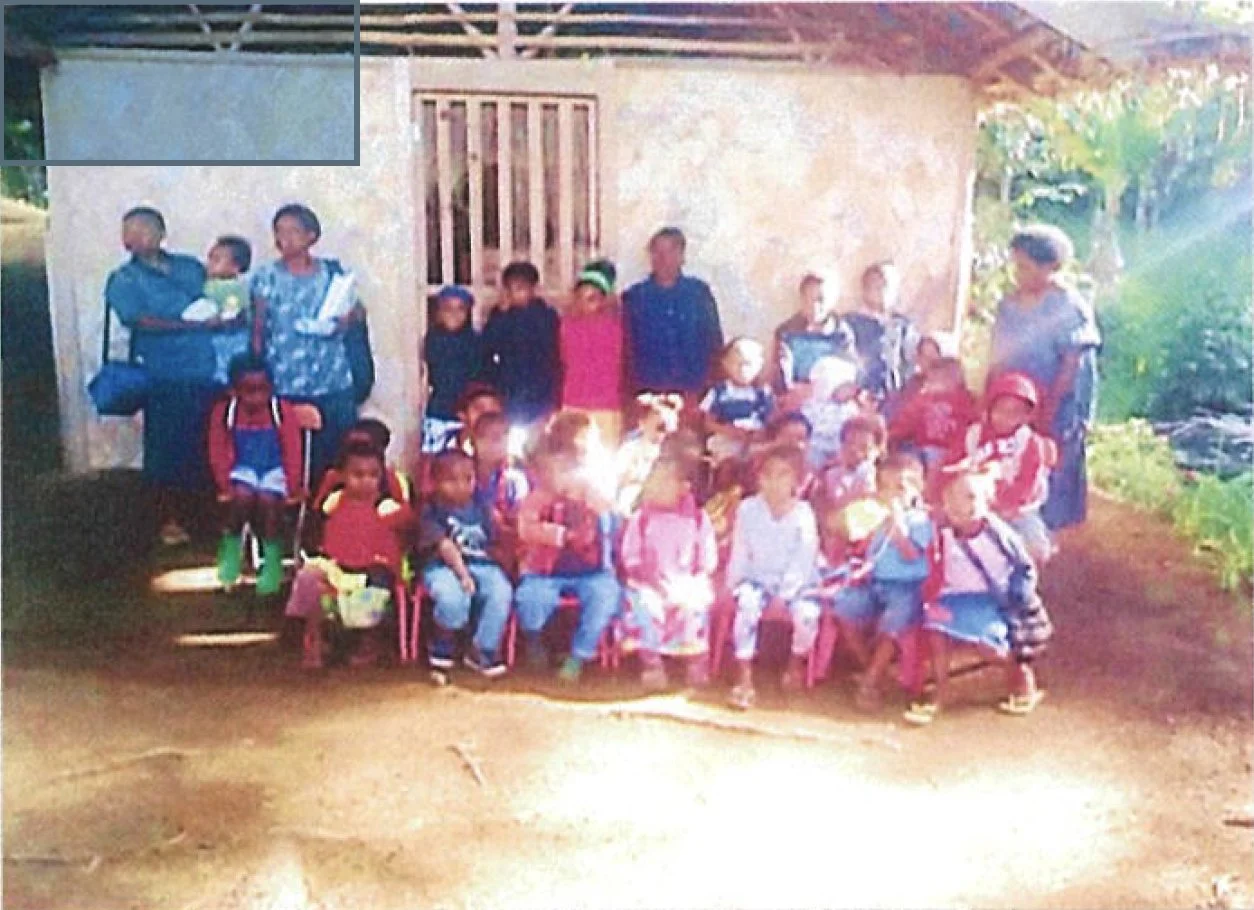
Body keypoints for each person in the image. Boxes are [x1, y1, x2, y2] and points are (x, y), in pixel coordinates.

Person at [105, 206, 220, 546]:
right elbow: (137, 320)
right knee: (166, 448)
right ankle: (168, 519)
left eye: (141, 230)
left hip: (207, 370)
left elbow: (217, 296)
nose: (132, 238)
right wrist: (187, 325)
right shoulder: (124, 279)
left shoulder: (190, 268)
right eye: (127, 231)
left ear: (160, 233)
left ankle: (206, 518)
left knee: (207, 443)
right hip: (163, 374)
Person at [904, 467, 1050, 725]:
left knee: (989, 648)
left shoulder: (998, 533)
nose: (965, 505)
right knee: (936, 630)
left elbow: (1024, 566)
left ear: (987, 500)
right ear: (945, 503)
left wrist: (1020, 595)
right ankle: (941, 691)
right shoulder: (940, 531)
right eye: (956, 498)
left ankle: (1022, 678)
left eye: (972, 497)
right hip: (951, 597)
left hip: (990, 599)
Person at [989, 225, 1101, 531]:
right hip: (1011, 398)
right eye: (1016, 266)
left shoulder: (1068, 307)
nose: (1018, 274)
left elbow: (1071, 364)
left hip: (1056, 400)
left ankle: (1045, 532)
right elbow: (997, 353)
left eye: (1025, 267)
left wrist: (1048, 411)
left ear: (1051, 267)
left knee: (1049, 461)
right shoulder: (1009, 305)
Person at [251, 203, 364, 483]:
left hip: (331, 378)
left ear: (311, 236)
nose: (284, 239)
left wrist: (345, 320)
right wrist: (257, 374)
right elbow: (258, 328)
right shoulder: (266, 277)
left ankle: (330, 505)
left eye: (293, 231)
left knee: (335, 454)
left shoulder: (332, 273)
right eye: (279, 232)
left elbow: (357, 312)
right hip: (285, 380)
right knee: (290, 456)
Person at [284, 438, 413, 670]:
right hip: (338, 566)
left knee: (377, 589)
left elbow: (409, 522)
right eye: (357, 475)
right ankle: (314, 639)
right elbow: (316, 523)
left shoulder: (385, 506)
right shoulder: (334, 501)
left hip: (373, 569)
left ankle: (369, 643)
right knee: (309, 577)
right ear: (342, 476)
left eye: (373, 475)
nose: (366, 481)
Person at [828, 454, 932, 712]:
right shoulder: (877, 516)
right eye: (886, 488)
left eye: (901, 487)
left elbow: (910, 554)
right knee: (843, 608)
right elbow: (846, 533)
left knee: (894, 622)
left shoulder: (921, 520)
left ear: (918, 488)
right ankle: (872, 668)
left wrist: (897, 527)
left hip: (906, 587)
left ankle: (870, 681)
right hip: (875, 582)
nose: (893, 495)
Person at [725, 444, 822, 710]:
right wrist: (733, 583)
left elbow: (803, 558)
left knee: (807, 616)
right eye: (767, 475)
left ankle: (795, 665)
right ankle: (744, 676)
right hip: (757, 580)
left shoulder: (803, 514)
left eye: (782, 475)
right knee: (746, 608)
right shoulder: (748, 509)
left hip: (797, 584)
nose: (774, 482)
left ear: (795, 480)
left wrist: (785, 594)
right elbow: (741, 550)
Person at [515, 444, 621, 683]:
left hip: (592, 573)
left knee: (604, 596)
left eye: (566, 469)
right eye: (553, 470)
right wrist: (564, 535)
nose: (560, 476)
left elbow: (613, 521)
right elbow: (527, 529)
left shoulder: (594, 497)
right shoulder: (535, 500)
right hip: (544, 573)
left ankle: (579, 656)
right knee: (532, 598)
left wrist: (596, 507)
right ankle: (534, 639)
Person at [619, 454, 719, 690]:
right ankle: (652, 664)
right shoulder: (642, 519)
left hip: (686, 581)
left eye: (666, 481)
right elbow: (630, 556)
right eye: (655, 481)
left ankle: (695, 663)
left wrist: (693, 581)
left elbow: (707, 559)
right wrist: (652, 580)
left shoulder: (697, 519)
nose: (658, 487)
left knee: (693, 605)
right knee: (646, 605)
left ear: (684, 488)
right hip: (649, 581)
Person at [207, 353, 303, 595]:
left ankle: (271, 562)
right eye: (249, 390)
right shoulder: (225, 412)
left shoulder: (280, 411)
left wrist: (292, 485)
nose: (257, 397)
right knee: (242, 497)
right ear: (234, 390)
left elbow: (293, 449)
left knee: (269, 501)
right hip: (241, 468)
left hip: (274, 469)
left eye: (263, 390)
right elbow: (217, 449)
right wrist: (224, 483)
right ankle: (230, 554)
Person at [417, 450, 513, 677]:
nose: (461, 486)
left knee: (501, 592)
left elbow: (495, 539)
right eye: (451, 480)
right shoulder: (431, 510)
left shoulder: (481, 506)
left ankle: (482, 649)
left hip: (483, 564)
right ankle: (442, 643)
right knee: (452, 596)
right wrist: (463, 575)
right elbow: (444, 545)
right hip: (442, 565)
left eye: (468, 479)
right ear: (435, 482)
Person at [954, 371, 1057, 566]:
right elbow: (951, 464)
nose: (1006, 418)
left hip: (1017, 510)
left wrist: (1004, 502)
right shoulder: (974, 435)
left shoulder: (1030, 443)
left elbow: (1028, 484)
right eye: (1000, 410)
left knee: (1037, 550)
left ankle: (1023, 577)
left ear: (1027, 416)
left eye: (1015, 413)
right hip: (974, 504)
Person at [623, 227, 724, 404]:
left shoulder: (698, 293)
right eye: (657, 252)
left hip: (693, 392)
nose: (663, 258)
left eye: (670, 251)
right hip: (648, 394)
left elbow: (714, 341)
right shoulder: (635, 297)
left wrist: (710, 387)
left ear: (682, 256)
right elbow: (626, 349)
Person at [483, 260, 561, 432]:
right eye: (510, 289)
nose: (515, 294)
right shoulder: (499, 316)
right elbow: (488, 346)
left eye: (520, 288)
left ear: (533, 289)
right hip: (509, 390)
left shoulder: (546, 316)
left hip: (540, 390)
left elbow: (553, 355)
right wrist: (501, 315)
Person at [560, 260, 626, 446]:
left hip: (605, 405)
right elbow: (565, 358)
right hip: (574, 401)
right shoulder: (567, 327)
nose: (585, 304)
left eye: (592, 298)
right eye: (581, 297)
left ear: (604, 299)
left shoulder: (614, 328)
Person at [771, 271, 857, 407]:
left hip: (833, 400)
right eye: (808, 299)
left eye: (821, 300)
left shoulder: (841, 333)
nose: (814, 306)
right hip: (797, 399)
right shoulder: (787, 333)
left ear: (833, 301)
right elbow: (781, 378)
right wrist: (796, 390)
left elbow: (849, 374)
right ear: (801, 299)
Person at [888, 355, 978, 478]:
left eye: (941, 378)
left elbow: (974, 426)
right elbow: (906, 421)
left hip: (955, 453)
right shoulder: (923, 400)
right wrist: (892, 435)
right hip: (926, 451)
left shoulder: (966, 401)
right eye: (932, 379)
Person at [845, 261, 918, 402]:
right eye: (877, 287)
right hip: (861, 397)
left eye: (888, 287)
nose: (883, 292)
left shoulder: (902, 325)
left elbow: (910, 362)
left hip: (895, 397)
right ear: (865, 290)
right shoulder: (850, 323)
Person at [422, 285, 483, 454]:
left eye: (460, 309)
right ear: (439, 312)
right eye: (448, 309)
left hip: (467, 413)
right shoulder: (434, 340)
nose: (454, 314)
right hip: (440, 411)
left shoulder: (475, 342)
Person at [187, 235, 252, 389]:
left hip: (229, 340)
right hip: (211, 339)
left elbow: (233, 310)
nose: (209, 264)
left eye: (216, 260)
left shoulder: (233, 288)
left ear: (235, 267)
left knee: (225, 371)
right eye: (209, 258)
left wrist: (221, 320)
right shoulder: (209, 283)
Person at [470, 410, 530, 577]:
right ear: (475, 440)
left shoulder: (515, 480)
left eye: (505, 438)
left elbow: (521, 520)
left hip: (503, 552)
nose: (500, 445)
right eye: (494, 438)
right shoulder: (462, 473)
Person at [700, 337, 773, 473]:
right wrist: (729, 431)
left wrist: (756, 434)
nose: (742, 369)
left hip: (753, 440)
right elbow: (708, 423)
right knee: (725, 459)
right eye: (736, 363)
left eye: (748, 364)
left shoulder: (763, 393)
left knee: (763, 457)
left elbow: (769, 421)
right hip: (726, 439)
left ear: (759, 366)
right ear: (725, 363)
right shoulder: (719, 392)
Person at [615, 392, 683, 515]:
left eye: (666, 429)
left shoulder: (670, 454)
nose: (661, 434)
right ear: (642, 423)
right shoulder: (631, 449)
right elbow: (618, 476)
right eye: (659, 427)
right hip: (633, 500)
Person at [800, 356, 870, 472]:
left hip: (840, 453)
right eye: (846, 386)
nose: (852, 391)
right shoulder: (811, 407)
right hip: (816, 449)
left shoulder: (851, 409)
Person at [816, 414, 884, 513]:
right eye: (850, 443)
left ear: (877, 451)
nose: (854, 450)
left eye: (863, 447)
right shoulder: (828, 476)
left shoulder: (884, 481)